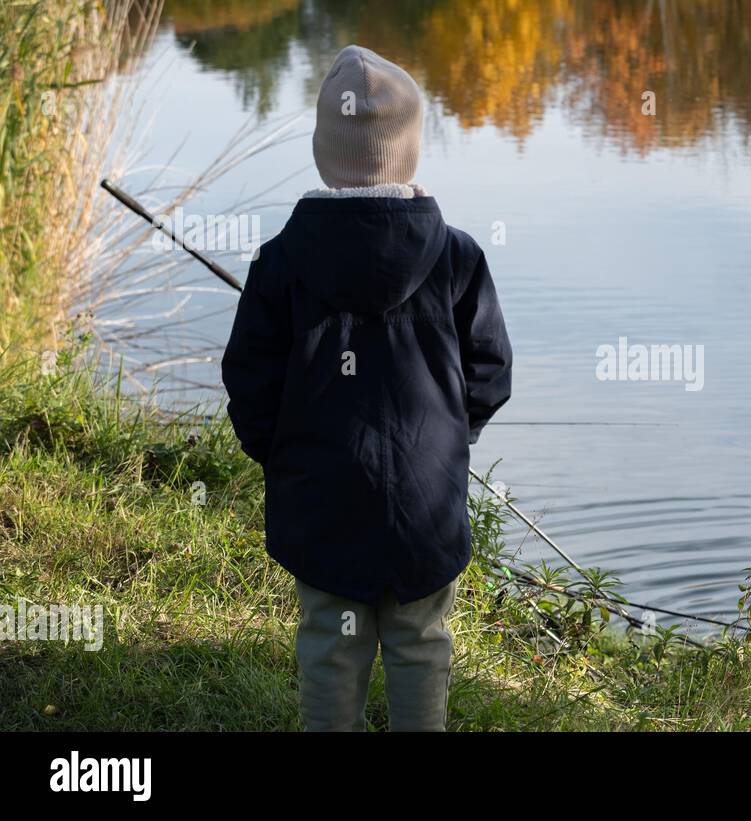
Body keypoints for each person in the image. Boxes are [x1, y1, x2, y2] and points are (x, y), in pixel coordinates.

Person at [221, 44, 512, 731]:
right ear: (410, 152)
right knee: (419, 641)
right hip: (426, 497)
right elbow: (491, 370)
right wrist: (448, 436)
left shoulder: (282, 262)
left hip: (319, 495)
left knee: (331, 641)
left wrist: (284, 453)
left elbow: (248, 379)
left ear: (325, 153)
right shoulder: (456, 256)